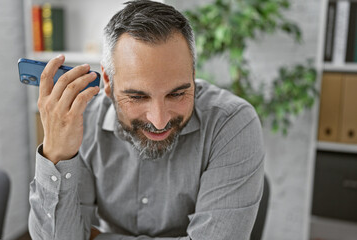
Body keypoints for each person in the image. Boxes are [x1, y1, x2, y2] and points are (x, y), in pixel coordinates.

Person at [29, 1, 265, 239]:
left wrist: (95, 237)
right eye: (137, 97)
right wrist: (56, 155)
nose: (159, 121)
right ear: (109, 83)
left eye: (177, 93)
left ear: (193, 76)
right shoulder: (82, 122)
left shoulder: (231, 123)